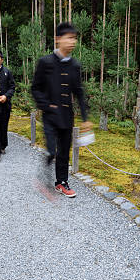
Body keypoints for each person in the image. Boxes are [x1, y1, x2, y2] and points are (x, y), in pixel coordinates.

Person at [31, 22, 92, 198]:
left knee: (64, 151)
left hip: (67, 116)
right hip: (50, 116)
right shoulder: (45, 62)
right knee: (52, 150)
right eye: (69, 38)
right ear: (58, 39)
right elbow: (35, 88)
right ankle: (43, 177)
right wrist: (46, 105)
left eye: (75, 38)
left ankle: (61, 183)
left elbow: (79, 92)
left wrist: (85, 118)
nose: (73, 42)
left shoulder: (75, 65)